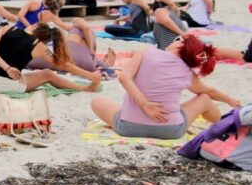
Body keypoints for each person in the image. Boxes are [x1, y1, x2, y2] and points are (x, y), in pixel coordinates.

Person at [91, 35, 240, 139]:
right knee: (205, 98)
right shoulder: (187, 72)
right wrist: (229, 100)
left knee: (96, 102)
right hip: (170, 130)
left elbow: (124, 77)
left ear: (180, 44)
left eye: (177, 39)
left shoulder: (146, 52)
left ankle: (136, 113)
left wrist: (145, 105)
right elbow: (208, 91)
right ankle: (223, 129)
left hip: (128, 127)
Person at [0, 23, 101, 93]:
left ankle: (87, 87)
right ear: (44, 40)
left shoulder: (8, 28)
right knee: (47, 74)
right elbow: (63, 65)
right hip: (0, 85)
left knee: (40, 73)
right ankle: (85, 88)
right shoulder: (38, 46)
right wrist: (90, 76)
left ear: (34, 26)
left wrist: (7, 68)